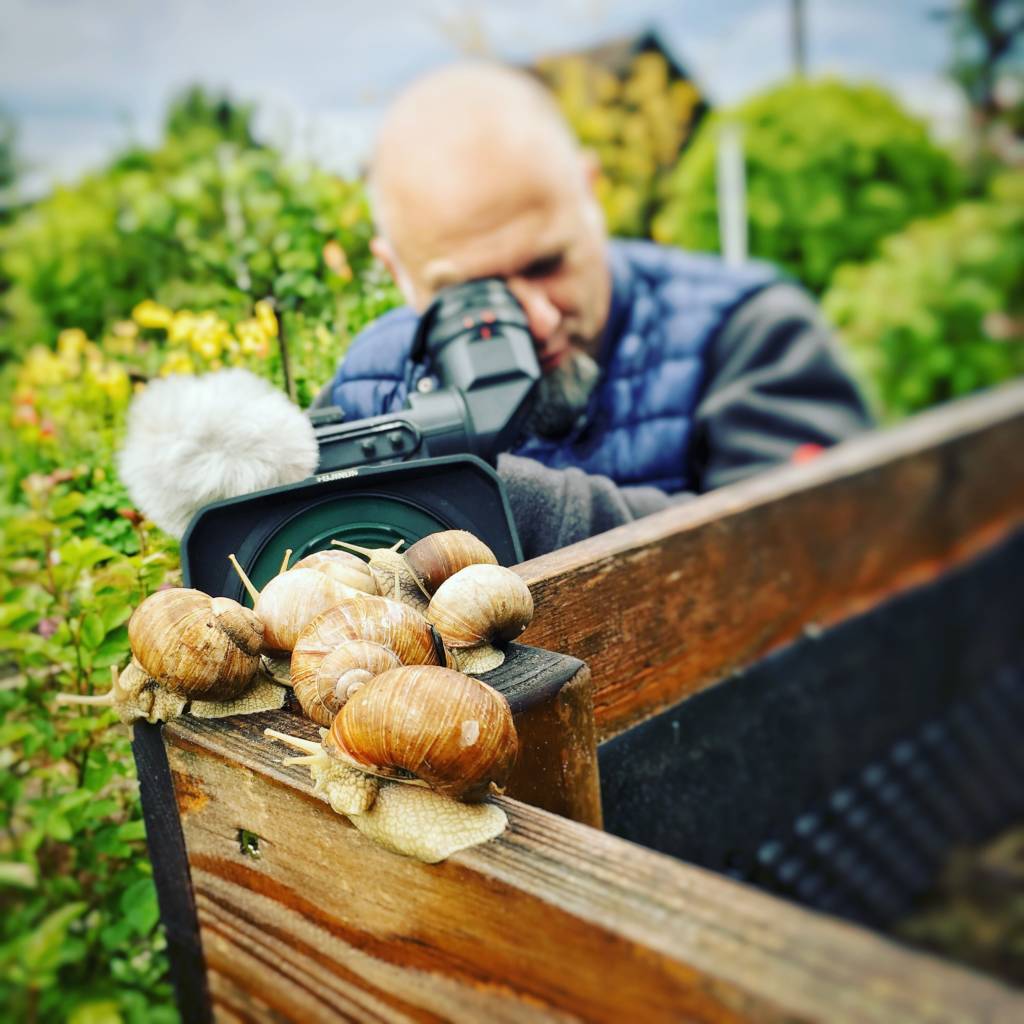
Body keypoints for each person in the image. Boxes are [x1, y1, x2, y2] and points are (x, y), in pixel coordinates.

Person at [321, 62, 873, 560]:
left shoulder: (750, 336)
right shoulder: (372, 383)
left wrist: (501, 502)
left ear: (592, 196)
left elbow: (807, 554)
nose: (536, 319)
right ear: (399, 275)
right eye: (474, 293)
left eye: (546, 264)